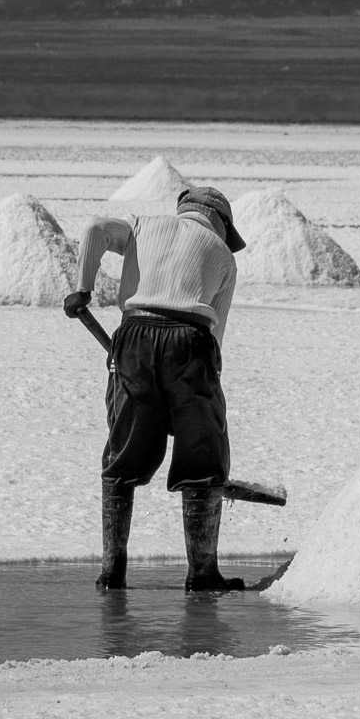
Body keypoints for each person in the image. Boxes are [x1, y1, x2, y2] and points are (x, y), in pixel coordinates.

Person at [66, 185, 246, 593]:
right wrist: (192, 399)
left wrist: (83, 288)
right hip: (193, 342)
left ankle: (112, 573)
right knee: (203, 460)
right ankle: (202, 575)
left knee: (123, 455)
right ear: (221, 222)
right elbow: (216, 336)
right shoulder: (222, 256)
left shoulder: (143, 226)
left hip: (133, 338)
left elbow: (94, 227)